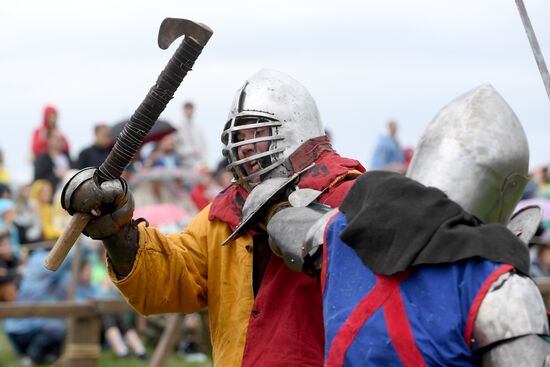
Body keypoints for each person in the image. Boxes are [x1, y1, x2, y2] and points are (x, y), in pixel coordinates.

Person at [61, 69, 365, 366]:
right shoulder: (226, 212)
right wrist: (118, 232)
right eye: (241, 134)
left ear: (294, 131)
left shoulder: (349, 197)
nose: (245, 145)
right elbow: (168, 279)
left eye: (257, 132)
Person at [258, 85, 550, 365]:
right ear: (508, 185)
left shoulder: (340, 234)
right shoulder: (503, 291)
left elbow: (288, 225)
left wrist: (279, 206)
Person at [175, 101, 208, 168]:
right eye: (187, 109)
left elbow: (204, 146)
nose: (189, 112)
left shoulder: (198, 128)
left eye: (190, 109)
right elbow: (176, 148)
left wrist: (204, 161)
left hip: (199, 163)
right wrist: (190, 151)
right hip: (183, 163)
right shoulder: (178, 128)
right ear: (184, 110)